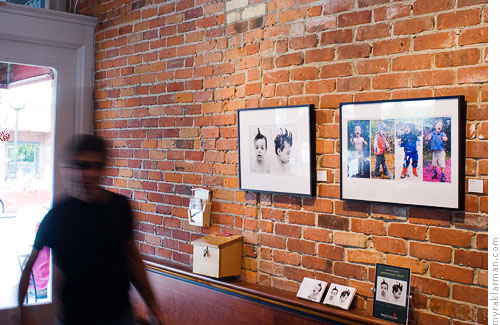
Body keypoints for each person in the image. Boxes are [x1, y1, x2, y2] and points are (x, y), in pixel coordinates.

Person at [18, 134, 166, 325]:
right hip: (75, 317)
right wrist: (23, 312)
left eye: (91, 166)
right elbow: (29, 265)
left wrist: (153, 308)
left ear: (102, 168)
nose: (84, 174)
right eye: (78, 166)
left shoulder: (120, 207)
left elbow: (133, 261)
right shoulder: (57, 216)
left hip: (119, 314)